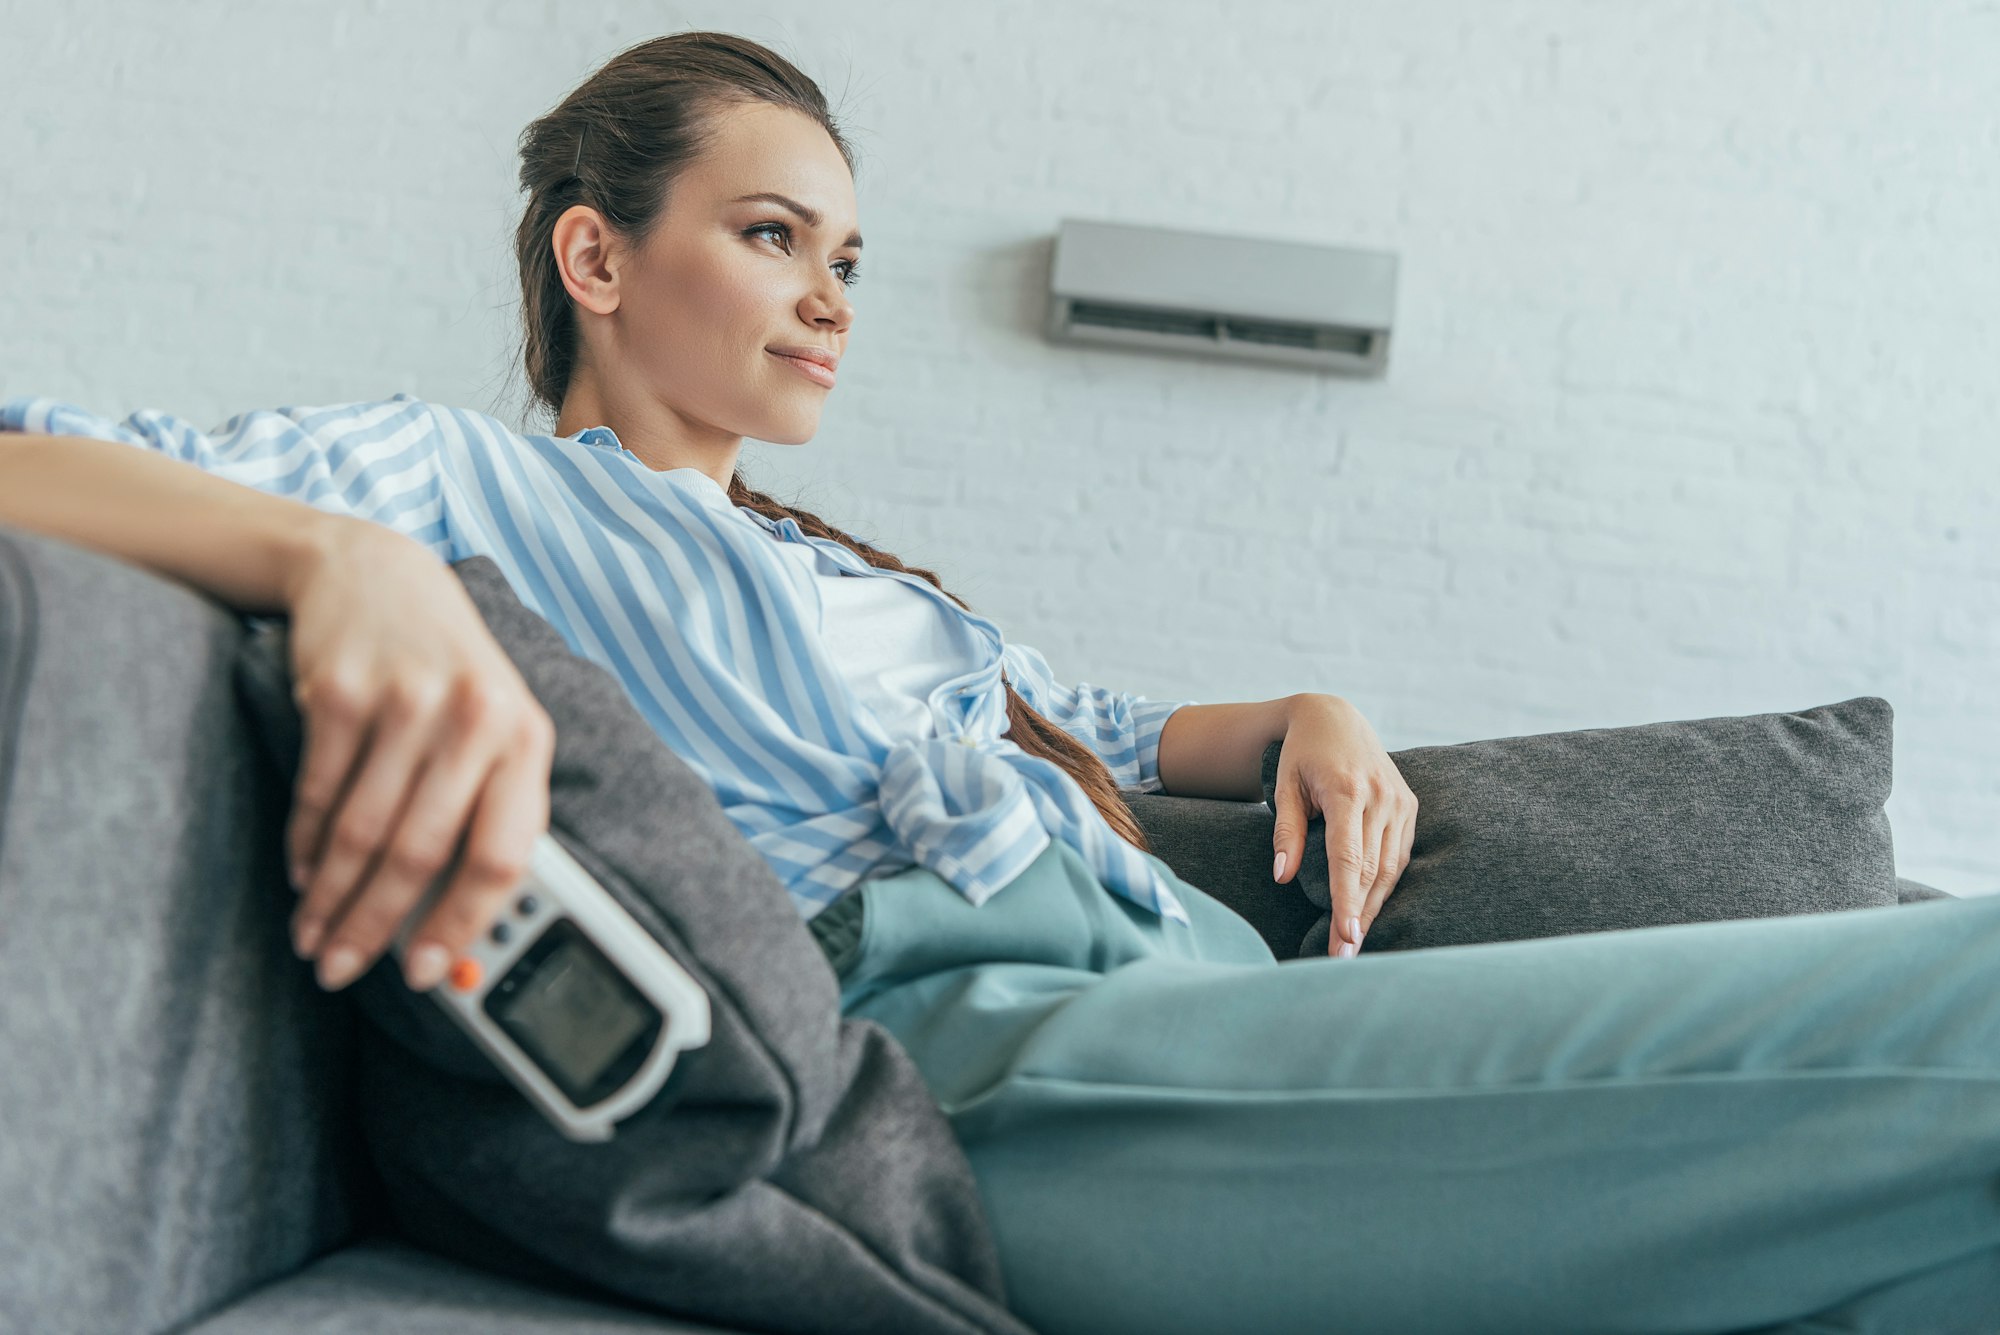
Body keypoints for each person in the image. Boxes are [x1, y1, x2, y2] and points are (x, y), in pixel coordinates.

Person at [4, 29, 1998, 1335]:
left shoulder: (862, 578)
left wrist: (1316, 709)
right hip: (951, 1052)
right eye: (771, 233)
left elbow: (1139, 732)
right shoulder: (465, 486)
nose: (827, 297)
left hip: (1188, 978)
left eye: (849, 257)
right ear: (597, 261)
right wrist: (331, 556)